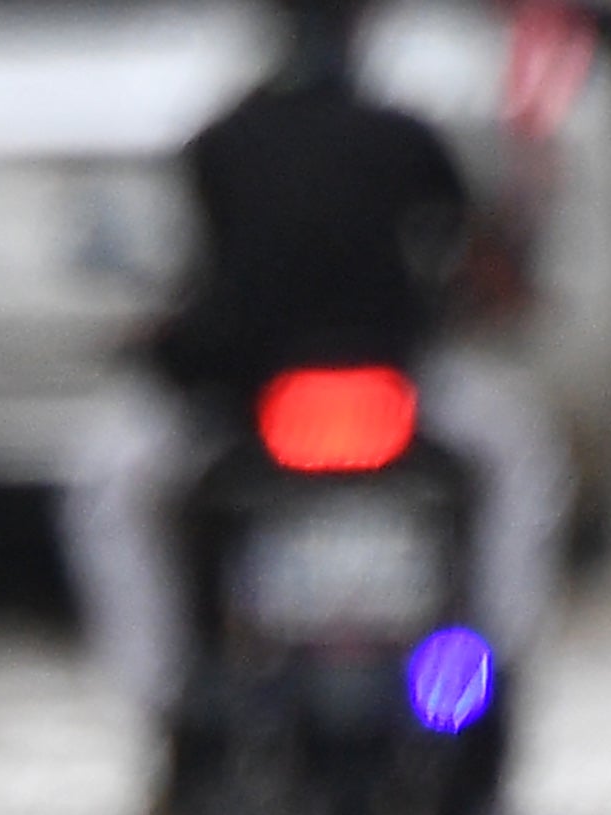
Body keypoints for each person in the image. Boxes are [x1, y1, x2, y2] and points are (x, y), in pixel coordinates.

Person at [59, 0, 568, 754]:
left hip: (245, 399)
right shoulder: (406, 136)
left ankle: (163, 700)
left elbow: (195, 288)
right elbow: (480, 267)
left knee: (105, 481)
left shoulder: (220, 141)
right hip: (394, 389)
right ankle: (495, 675)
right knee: (521, 461)